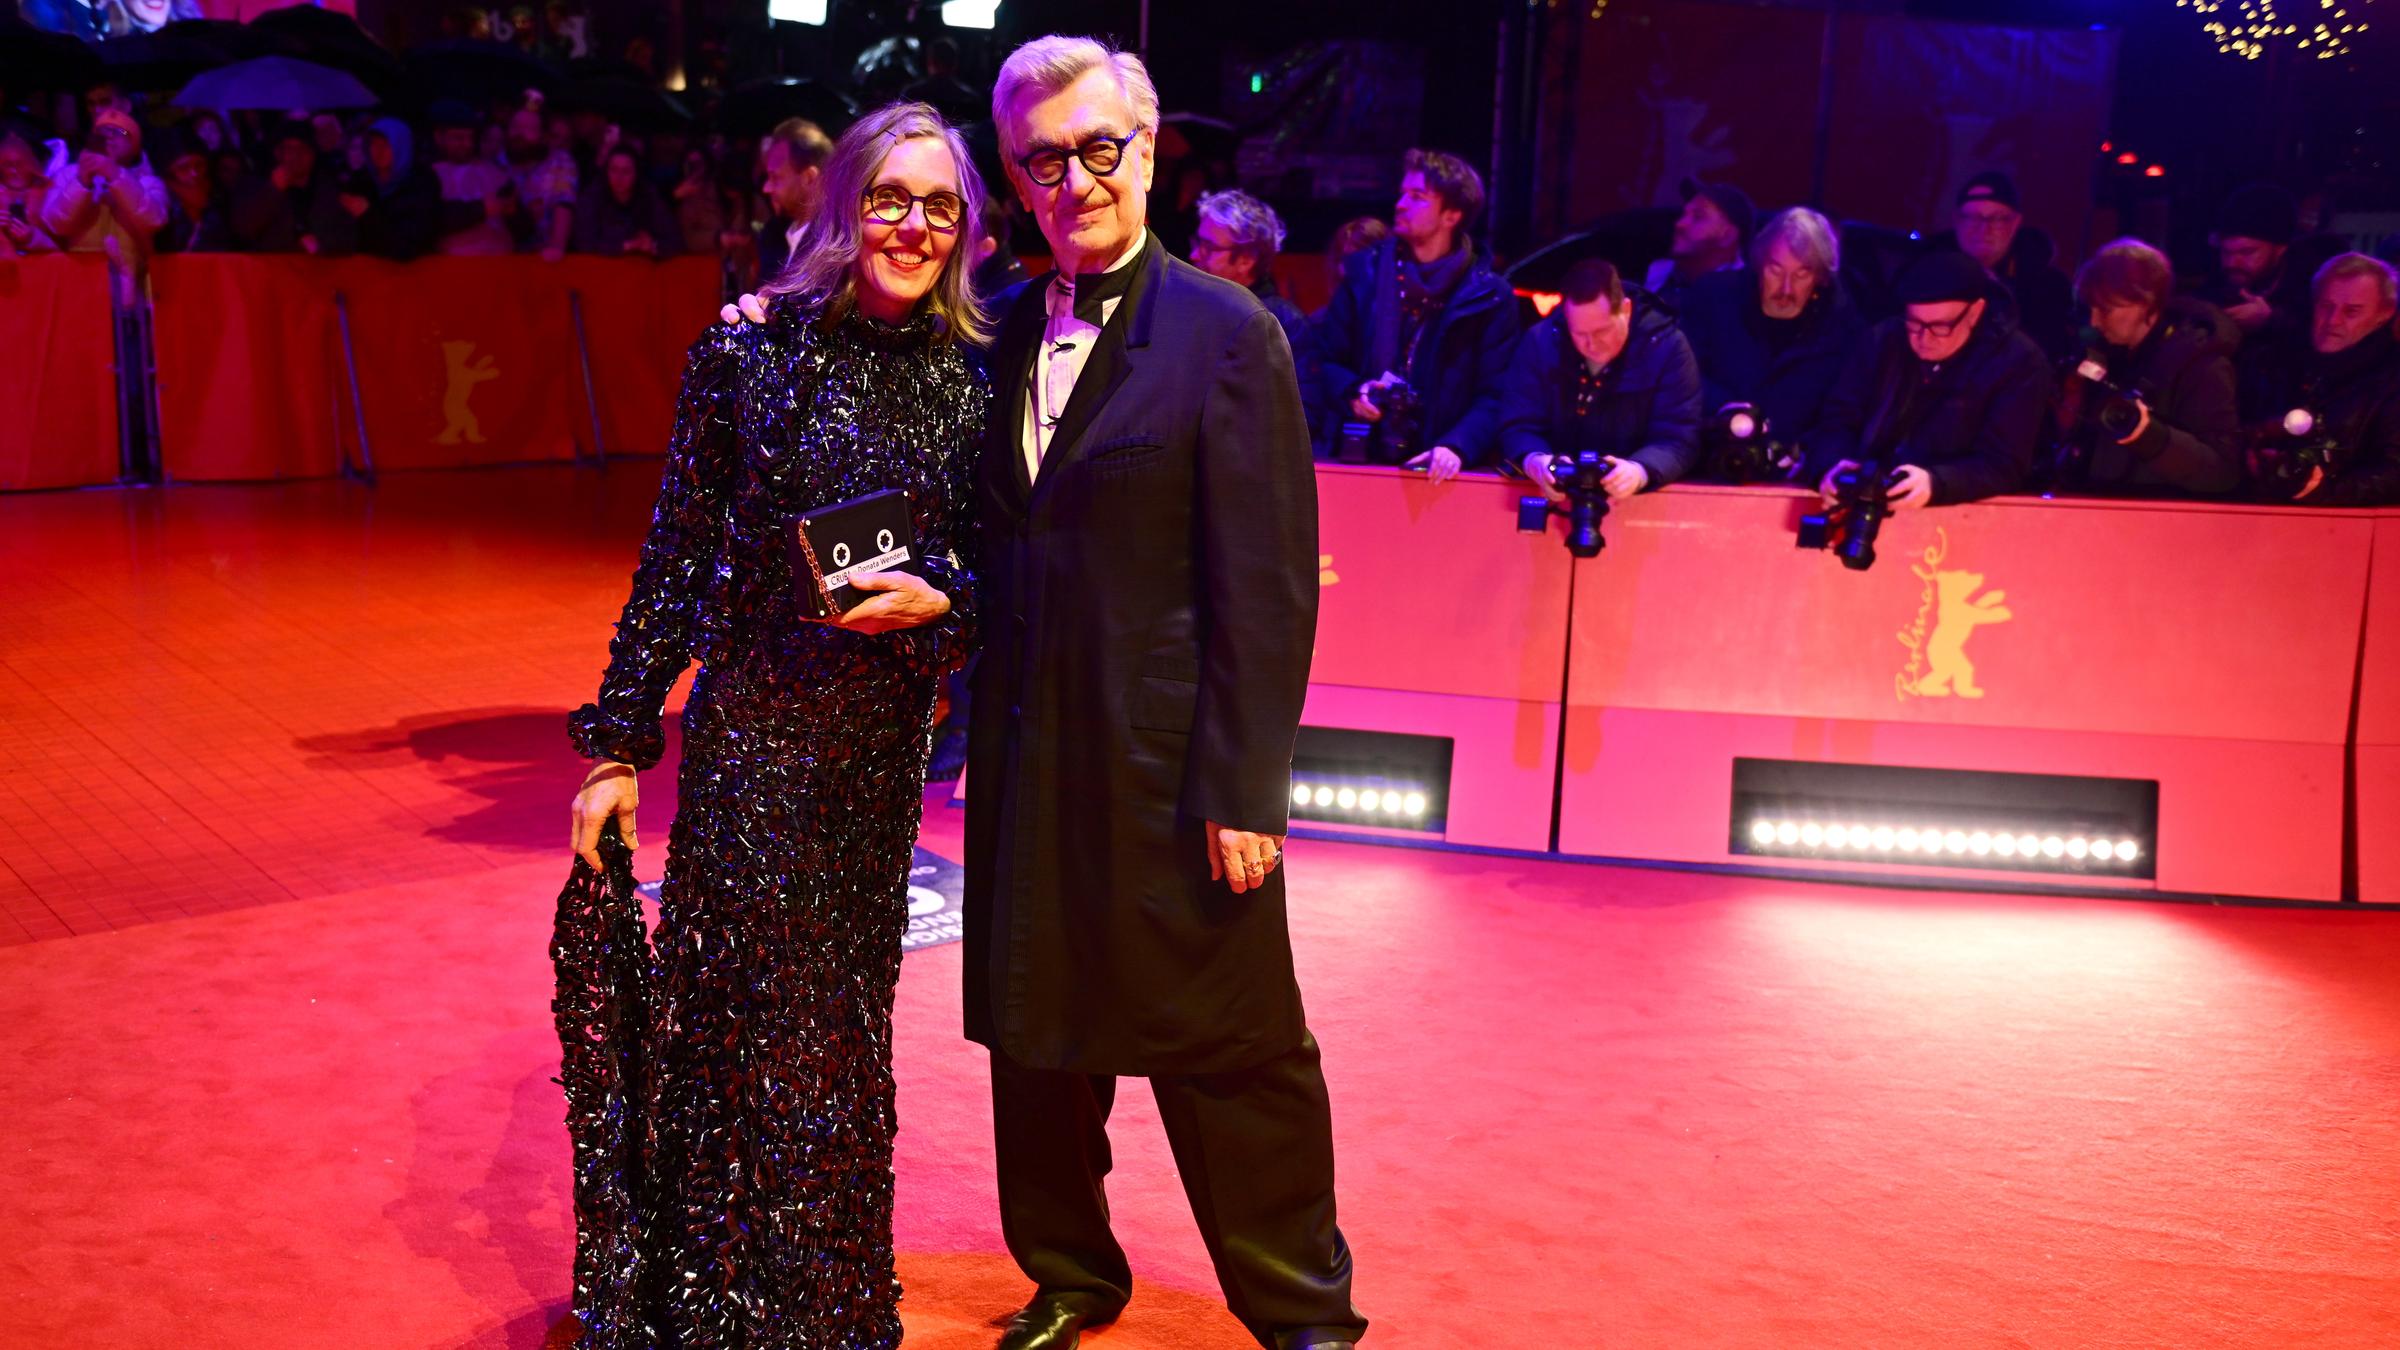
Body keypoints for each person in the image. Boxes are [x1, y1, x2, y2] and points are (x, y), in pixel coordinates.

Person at [723, 34, 1364, 1350]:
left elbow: (1267, 583)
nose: (1073, 179)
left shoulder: (1229, 331)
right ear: (1015, 178)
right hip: (1025, 743)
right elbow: (917, 491)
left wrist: (1246, 785)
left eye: (1097, 149)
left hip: (1170, 757)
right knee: (1043, 1033)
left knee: (1232, 1043)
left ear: (1145, 151)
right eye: (1042, 159)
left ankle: (1303, 1311)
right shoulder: (1000, 330)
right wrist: (777, 327)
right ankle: (1072, 1271)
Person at [557, 101, 990, 1347]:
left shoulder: (969, 382)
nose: (913, 225)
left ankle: (818, 1305)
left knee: (839, 1035)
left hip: (877, 757)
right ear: (845, 202)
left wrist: (941, 599)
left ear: (964, 229)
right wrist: (619, 745)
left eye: (941, 205)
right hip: (751, 744)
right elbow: (675, 559)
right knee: (732, 1019)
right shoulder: (745, 349)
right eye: (892, 198)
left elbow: (993, 573)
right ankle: (712, 1302)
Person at [1309, 146, 1520, 481]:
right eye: (1402, 193)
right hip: (1363, 460)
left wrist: (1457, 446)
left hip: (1443, 468)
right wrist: (1354, 392)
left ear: (1452, 215)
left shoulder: (1491, 297)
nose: (1400, 204)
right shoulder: (1364, 271)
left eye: (1418, 196)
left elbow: (1497, 394)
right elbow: (1324, 360)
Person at [1807, 249, 2050, 509]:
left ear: (1975, 312)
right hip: (1865, 503)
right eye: (1914, 324)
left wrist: (1938, 483)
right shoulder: (1882, 341)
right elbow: (1837, 419)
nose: (1923, 338)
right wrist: (1831, 467)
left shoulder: (2019, 362)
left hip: (1961, 517)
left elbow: (2004, 464)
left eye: (1940, 327)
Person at [1675, 205, 1864, 475]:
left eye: (1801, 274)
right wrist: (1726, 410)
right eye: (1775, 270)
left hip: (1792, 476)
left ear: (1820, 279)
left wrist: (1809, 456)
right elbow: (1679, 377)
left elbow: (1842, 416)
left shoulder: (1844, 329)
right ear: (1760, 262)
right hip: (1706, 465)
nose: (1785, 289)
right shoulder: (1713, 299)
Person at [1500, 258, 1703, 501]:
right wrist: (1536, 461)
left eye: (1601, 331)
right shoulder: (1541, 343)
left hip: (1639, 504)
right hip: (1556, 500)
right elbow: (1518, 424)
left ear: (1626, 310)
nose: (1591, 344)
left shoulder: (1667, 347)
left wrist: (1640, 471)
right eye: (1580, 334)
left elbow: (1679, 437)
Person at [2050, 238, 2241, 497]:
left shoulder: (2202, 366)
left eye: (2105, 309)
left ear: (2147, 303)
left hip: (2160, 524)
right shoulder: (2108, 358)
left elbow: (2223, 472)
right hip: (2102, 518)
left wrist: (2148, 435)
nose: (2094, 321)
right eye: (2091, 308)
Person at [2238, 253, 2400, 505]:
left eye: (2352, 311)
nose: (2333, 321)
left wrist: (2325, 492)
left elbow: (2394, 475)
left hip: (2348, 529)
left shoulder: (2391, 381)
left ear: (2385, 313)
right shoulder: (2274, 362)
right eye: (2326, 306)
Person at [1932, 170, 2076, 362]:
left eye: (1997, 218)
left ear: (2015, 223)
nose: (1984, 228)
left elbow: (2049, 351)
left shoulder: (2049, 287)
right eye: (1973, 217)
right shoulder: (1925, 272)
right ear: (1957, 220)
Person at [40, 106, 166, 263]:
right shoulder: (68, 175)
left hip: (130, 277)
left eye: (121, 132)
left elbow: (153, 221)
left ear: (134, 145)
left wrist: (116, 176)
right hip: (82, 274)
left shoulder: (148, 182)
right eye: (101, 131)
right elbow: (56, 225)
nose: (109, 136)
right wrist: (81, 183)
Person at [1189, 187, 1306, 350]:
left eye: (1208, 247)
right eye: (1197, 242)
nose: (1194, 255)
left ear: (1246, 260)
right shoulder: (1187, 307)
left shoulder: (1284, 325)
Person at [229, 122, 359, 255]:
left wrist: (321, 247)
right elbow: (243, 230)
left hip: (320, 271)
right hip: (273, 271)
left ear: (312, 154)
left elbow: (348, 238)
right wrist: (273, 190)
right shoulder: (254, 185)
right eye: (289, 149)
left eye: (302, 148)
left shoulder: (330, 190)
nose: (296, 156)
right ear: (278, 153)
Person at [1642, 176, 1752, 311]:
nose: (1680, 224)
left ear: (1727, 236)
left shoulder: (1746, 298)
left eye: (1698, 217)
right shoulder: (1658, 272)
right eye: (1684, 215)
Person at [755, 116, 834, 283]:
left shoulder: (836, 248)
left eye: (775, 178)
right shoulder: (773, 235)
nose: (766, 188)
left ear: (809, 178)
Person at [428, 103, 514, 255]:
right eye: (458, 138)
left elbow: (520, 224)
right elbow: (432, 219)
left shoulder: (495, 173)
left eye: (470, 137)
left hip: (499, 265)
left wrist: (517, 212)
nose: (467, 144)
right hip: (451, 269)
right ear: (439, 137)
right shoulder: (428, 175)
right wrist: (483, 208)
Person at [353, 118, 440, 261]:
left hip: (413, 273)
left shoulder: (422, 183)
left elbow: (407, 244)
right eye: (374, 144)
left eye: (386, 145)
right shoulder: (361, 180)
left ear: (401, 146)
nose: (378, 151)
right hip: (367, 271)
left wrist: (367, 214)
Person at [570, 144, 680, 257]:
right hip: (600, 268)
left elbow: (674, 241)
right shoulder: (592, 196)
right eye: (613, 170)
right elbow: (584, 243)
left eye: (626, 171)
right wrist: (626, 245)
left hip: (640, 268)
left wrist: (652, 245)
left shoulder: (649, 196)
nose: (619, 177)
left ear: (636, 174)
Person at [501, 105, 577, 260]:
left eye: (528, 128)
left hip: (546, 257)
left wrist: (557, 246)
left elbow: (563, 204)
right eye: (515, 126)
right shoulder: (499, 162)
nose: (518, 133)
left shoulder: (560, 161)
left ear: (543, 136)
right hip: (505, 258)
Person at [152, 129, 232, 255]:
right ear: (168, 172)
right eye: (183, 168)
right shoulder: (160, 206)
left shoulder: (219, 199)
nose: (194, 173)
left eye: (199, 165)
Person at [0, 128, 61, 258]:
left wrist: (32, 238)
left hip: (40, 270)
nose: (13, 171)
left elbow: (60, 246)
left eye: (19, 164)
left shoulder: (49, 194)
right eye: (7, 165)